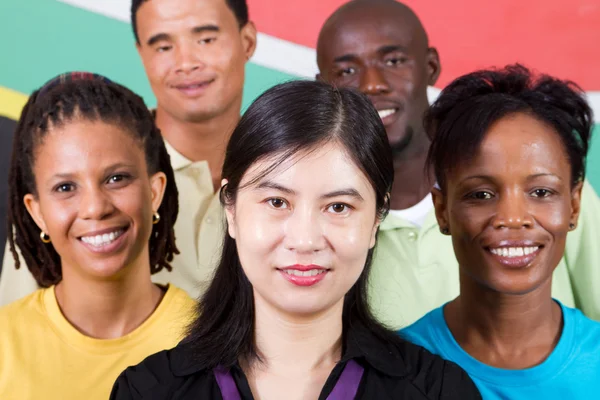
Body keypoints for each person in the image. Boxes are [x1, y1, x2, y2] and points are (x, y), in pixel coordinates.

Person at [110, 81, 481, 399]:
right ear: (232, 210)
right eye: (277, 202)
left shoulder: (438, 391)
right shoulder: (148, 391)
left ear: (375, 221)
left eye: (338, 207)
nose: (304, 241)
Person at [316, 0, 600, 328]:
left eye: (393, 60)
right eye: (347, 71)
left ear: (431, 66)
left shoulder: (544, 185)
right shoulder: (327, 220)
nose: (372, 84)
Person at [0, 0, 258, 304]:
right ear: (142, 55)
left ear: (247, 41)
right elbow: (17, 330)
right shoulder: (66, 172)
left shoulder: (288, 168)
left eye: (206, 39)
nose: (186, 62)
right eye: (163, 46)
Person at [402, 65, 600, 399]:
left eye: (540, 192)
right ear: (442, 210)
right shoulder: (395, 368)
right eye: (480, 194)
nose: (512, 218)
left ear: (574, 205)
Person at [0, 73, 195, 400]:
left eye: (116, 178)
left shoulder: (213, 343)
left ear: (155, 191)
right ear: (37, 213)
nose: (94, 208)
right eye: (65, 188)